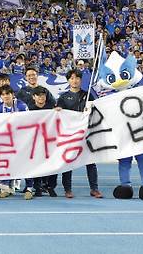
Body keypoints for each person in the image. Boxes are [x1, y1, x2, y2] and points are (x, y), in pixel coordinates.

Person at [55, 69, 103, 199]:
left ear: (80, 80)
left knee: (90, 162)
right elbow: (57, 113)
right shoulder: (63, 97)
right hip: (70, 135)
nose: (74, 80)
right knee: (68, 162)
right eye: (71, 78)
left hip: (86, 134)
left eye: (77, 78)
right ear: (68, 80)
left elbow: (96, 110)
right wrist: (58, 110)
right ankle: (68, 189)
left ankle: (94, 189)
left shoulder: (87, 95)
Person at [0, 84, 31, 199]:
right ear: (1, 96)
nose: (6, 97)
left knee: (25, 163)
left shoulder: (21, 106)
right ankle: (7, 187)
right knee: (8, 163)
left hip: (22, 139)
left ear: (12, 95)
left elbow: (29, 121)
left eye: (8, 94)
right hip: (7, 141)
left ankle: (29, 188)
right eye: (3, 95)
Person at [27, 86, 57, 197]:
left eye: (43, 95)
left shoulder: (52, 109)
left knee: (53, 164)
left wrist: (59, 112)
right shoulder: (29, 109)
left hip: (50, 141)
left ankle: (50, 186)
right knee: (36, 164)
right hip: (35, 142)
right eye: (38, 95)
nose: (41, 97)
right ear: (33, 97)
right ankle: (37, 186)